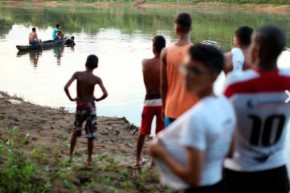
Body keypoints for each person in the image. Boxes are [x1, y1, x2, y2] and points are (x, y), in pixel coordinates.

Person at [149, 44, 236, 193]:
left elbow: (193, 179)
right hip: (221, 185)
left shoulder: (197, 118)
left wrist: (160, 152)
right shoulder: (226, 104)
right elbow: (230, 152)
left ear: (213, 77)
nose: (186, 75)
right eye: (186, 68)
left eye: (195, 71)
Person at [224, 24, 290, 193]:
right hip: (276, 170)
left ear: (256, 50)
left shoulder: (236, 83)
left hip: (239, 170)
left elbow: (222, 123)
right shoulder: (287, 80)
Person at [64, 55, 108, 166]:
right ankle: (89, 159)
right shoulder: (96, 79)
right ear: (96, 66)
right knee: (90, 134)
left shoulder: (78, 75)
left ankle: (70, 155)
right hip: (90, 107)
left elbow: (66, 87)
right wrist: (97, 99)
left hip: (80, 106)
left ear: (85, 63)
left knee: (75, 131)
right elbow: (105, 94)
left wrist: (71, 98)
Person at [161, 13, 197, 127]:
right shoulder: (197, 52)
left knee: (172, 144)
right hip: (191, 110)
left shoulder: (165, 52)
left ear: (176, 29)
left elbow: (163, 84)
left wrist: (163, 106)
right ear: (191, 29)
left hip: (171, 108)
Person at [135, 35, 166, 167]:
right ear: (164, 49)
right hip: (162, 102)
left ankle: (138, 159)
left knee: (143, 132)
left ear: (153, 48)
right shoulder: (166, 66)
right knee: (159, 134)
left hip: (148, 101)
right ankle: (154, 162)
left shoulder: (145, 62)